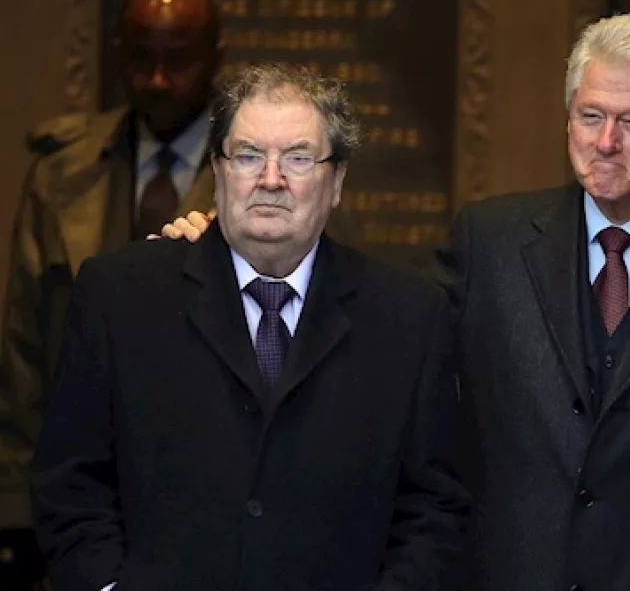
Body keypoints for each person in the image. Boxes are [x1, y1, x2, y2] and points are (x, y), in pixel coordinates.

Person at [157, 12, 630, 591]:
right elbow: (373, 333)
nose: (606, 143)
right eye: (590, 117)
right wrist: (232, 248)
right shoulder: (490, 240)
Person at [30, 63, 468, 591]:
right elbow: (70, 487)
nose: (271, 179)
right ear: (217, 171)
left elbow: (434, 511)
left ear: (337, 182)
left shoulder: (410, 317)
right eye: (248, 155)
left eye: (299, 158)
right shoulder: (118, 296)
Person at [0, 0, 222, 566]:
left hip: (208, 487)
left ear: (217, 57)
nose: (157, 79)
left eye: (179, 60)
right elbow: (23, 355)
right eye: (140, 59)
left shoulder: (263, 179)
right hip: (82, 486)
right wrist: (19, 512)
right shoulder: (62, 173)